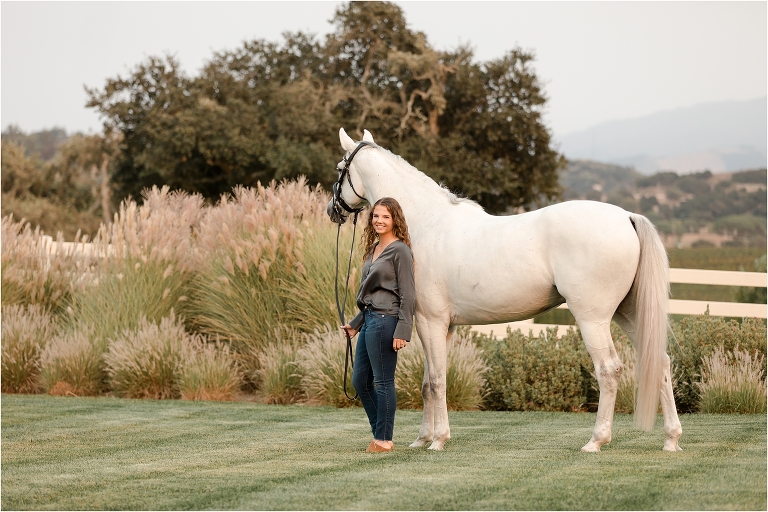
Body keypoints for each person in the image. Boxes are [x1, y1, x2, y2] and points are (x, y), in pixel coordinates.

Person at [341, 197, 415, 453]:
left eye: (385, 216)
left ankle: (384, 439)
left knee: (383, 382)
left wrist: (403, 329)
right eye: (375, 216)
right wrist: (355, 324)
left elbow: (407, 294)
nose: (379, 221)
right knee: (360, 381)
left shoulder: (400, 250)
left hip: (387, 321)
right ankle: (378, 432)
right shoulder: (373, 249)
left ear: (395, 220)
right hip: (370, 319)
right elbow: (371, 294)